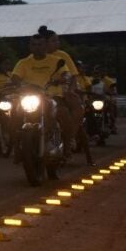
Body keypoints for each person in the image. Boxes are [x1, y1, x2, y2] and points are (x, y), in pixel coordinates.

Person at [9, 33, 84, 164]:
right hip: (29, 97)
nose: (37, 47)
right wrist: (16, 84)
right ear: (29, 47)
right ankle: (17, 147)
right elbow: (15, 77)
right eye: (34, 44)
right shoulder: (23, 62)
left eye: (40, 44)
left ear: (46, 46)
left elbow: (66, 74)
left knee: (63, 113)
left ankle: (67, 147)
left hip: (52, 96)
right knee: (14, 114)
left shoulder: (56, 61)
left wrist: (63, 78)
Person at [39, 25, 88, 161]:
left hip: (59, 93)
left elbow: (72, 75)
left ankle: (69, 139)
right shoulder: (33, 58)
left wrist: (70, 89)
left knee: (76, 108)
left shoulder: (62, 56)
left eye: (57, 41)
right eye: (54, 41)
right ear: (45, 43)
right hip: (38, 95)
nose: (57, 43)